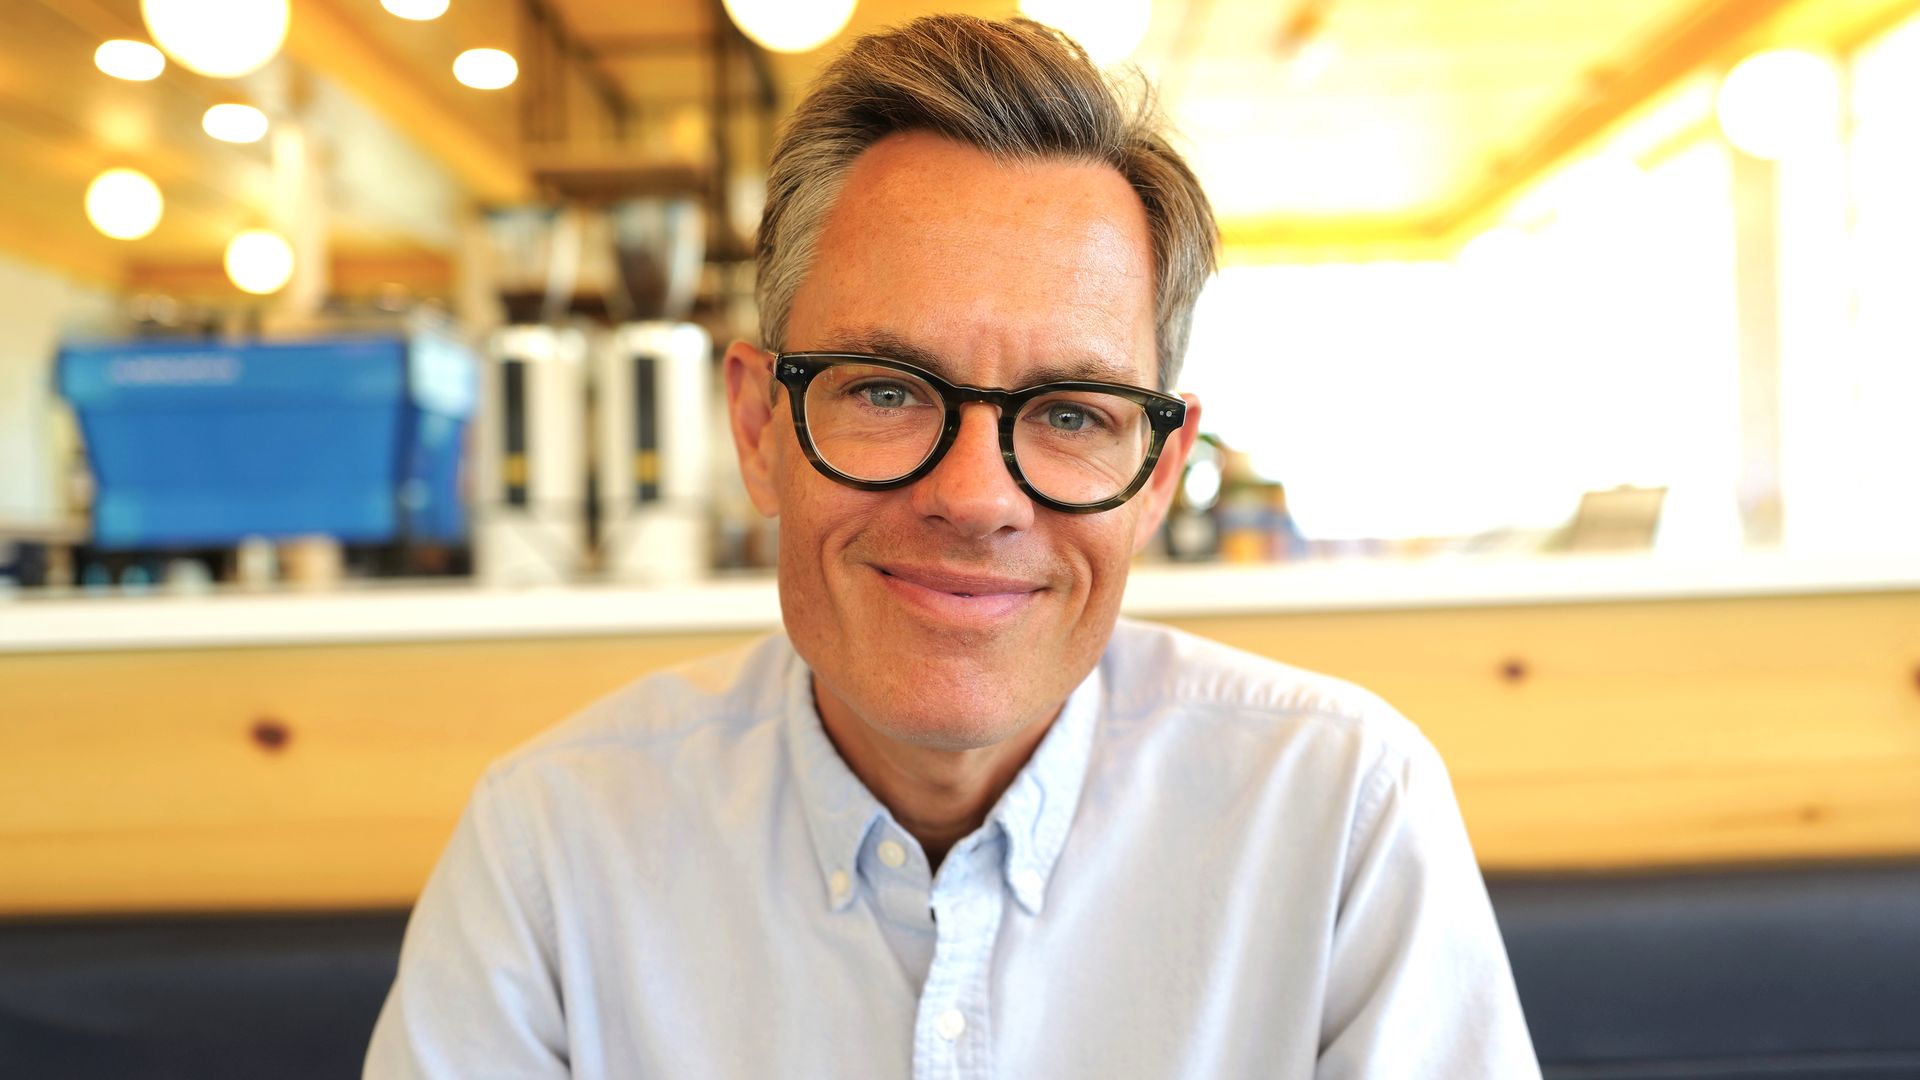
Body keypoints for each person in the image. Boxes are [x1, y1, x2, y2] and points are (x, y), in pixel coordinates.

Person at [366, 14, 1539, 1079]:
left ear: (1158, 479)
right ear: (761, 428)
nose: (976, 497)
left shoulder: (1340, 817)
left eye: (1073, 413)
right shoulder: (552, 851)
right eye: (885, 390)